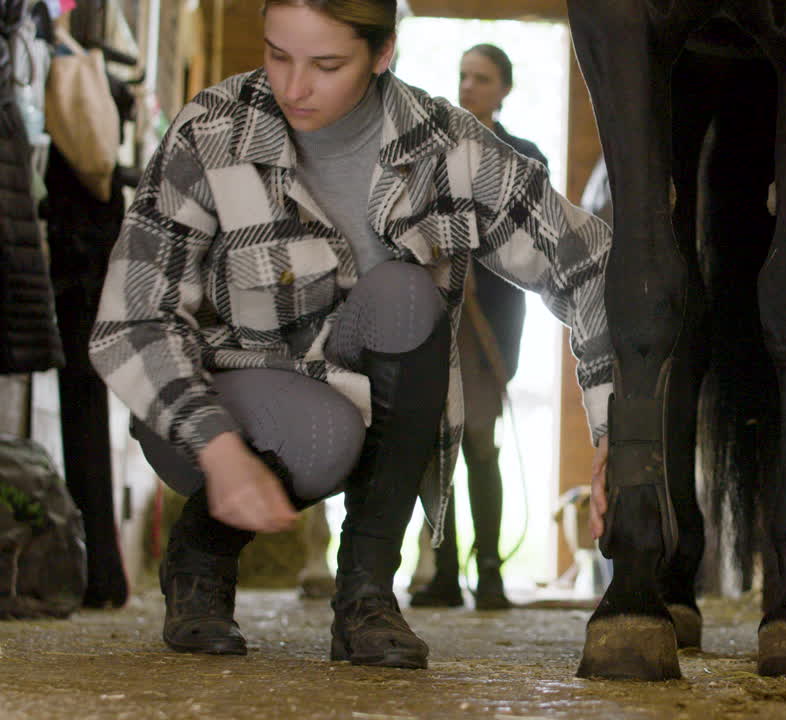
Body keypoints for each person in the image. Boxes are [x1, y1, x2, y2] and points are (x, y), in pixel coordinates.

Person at [89, 0, 612, 670]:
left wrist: (614, 431)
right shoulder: (213, 129)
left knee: (406, 293)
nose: (293, 87)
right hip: (209, 414)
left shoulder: (447, 147)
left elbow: (592, 265)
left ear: (383, 53)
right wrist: (219, 450)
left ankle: (367, 593)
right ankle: (201, 552)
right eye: (277, 55)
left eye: (326, 65)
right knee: (324, 431)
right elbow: (132, 317)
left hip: (359, 410)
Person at [409, 43, 545, 612]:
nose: (468, 86)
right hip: (436, 312)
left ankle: (489, 572)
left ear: (504, 88)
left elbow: (530, 234)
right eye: (463, 76)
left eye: (481, 78)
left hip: (490, 315)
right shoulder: (433, 151)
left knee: (481, 445)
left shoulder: (524, 157)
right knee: (434, 444)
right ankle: (444, 571)